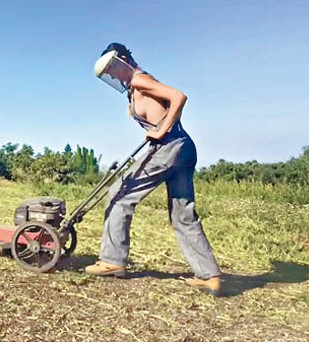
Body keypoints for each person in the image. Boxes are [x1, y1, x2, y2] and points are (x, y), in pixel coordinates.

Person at [84, 42, 222, 296]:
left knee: (119, 194)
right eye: (109, 74)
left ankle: (112, 260)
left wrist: (161, 129)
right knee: (183, 212)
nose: (113, 75)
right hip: (182, 146)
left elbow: (179, 96)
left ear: (123, 60)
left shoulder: (140, 80)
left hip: (168, 146)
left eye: (113, 69)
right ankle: (209, 275)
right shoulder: (136, 87)